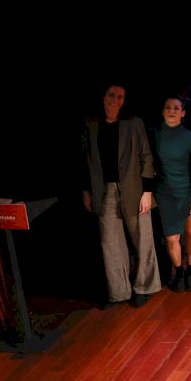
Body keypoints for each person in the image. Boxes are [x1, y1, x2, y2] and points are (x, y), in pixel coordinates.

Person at [83, 84, 160, 307]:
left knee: (142, 239)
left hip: (134, 188)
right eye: (111, 95)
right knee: (110, 243)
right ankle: (119, 292)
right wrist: (86, 190)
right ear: (102, 97)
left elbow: (146, 156)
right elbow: (85, 159)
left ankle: (145, 287)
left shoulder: (133, 123)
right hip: (103, 190)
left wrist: (147, 191)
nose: (115, 100)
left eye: (120, 97)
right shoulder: (91, 124)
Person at [154, 96, 191, 292]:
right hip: (165, 195)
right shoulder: (155, 136)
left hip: (187, 193)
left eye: (176, 108)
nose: (172, 111)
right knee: (171, 238)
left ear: (183, 113)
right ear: (162, 111)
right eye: (168, 107)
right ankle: (179, 271)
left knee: (190, 231)